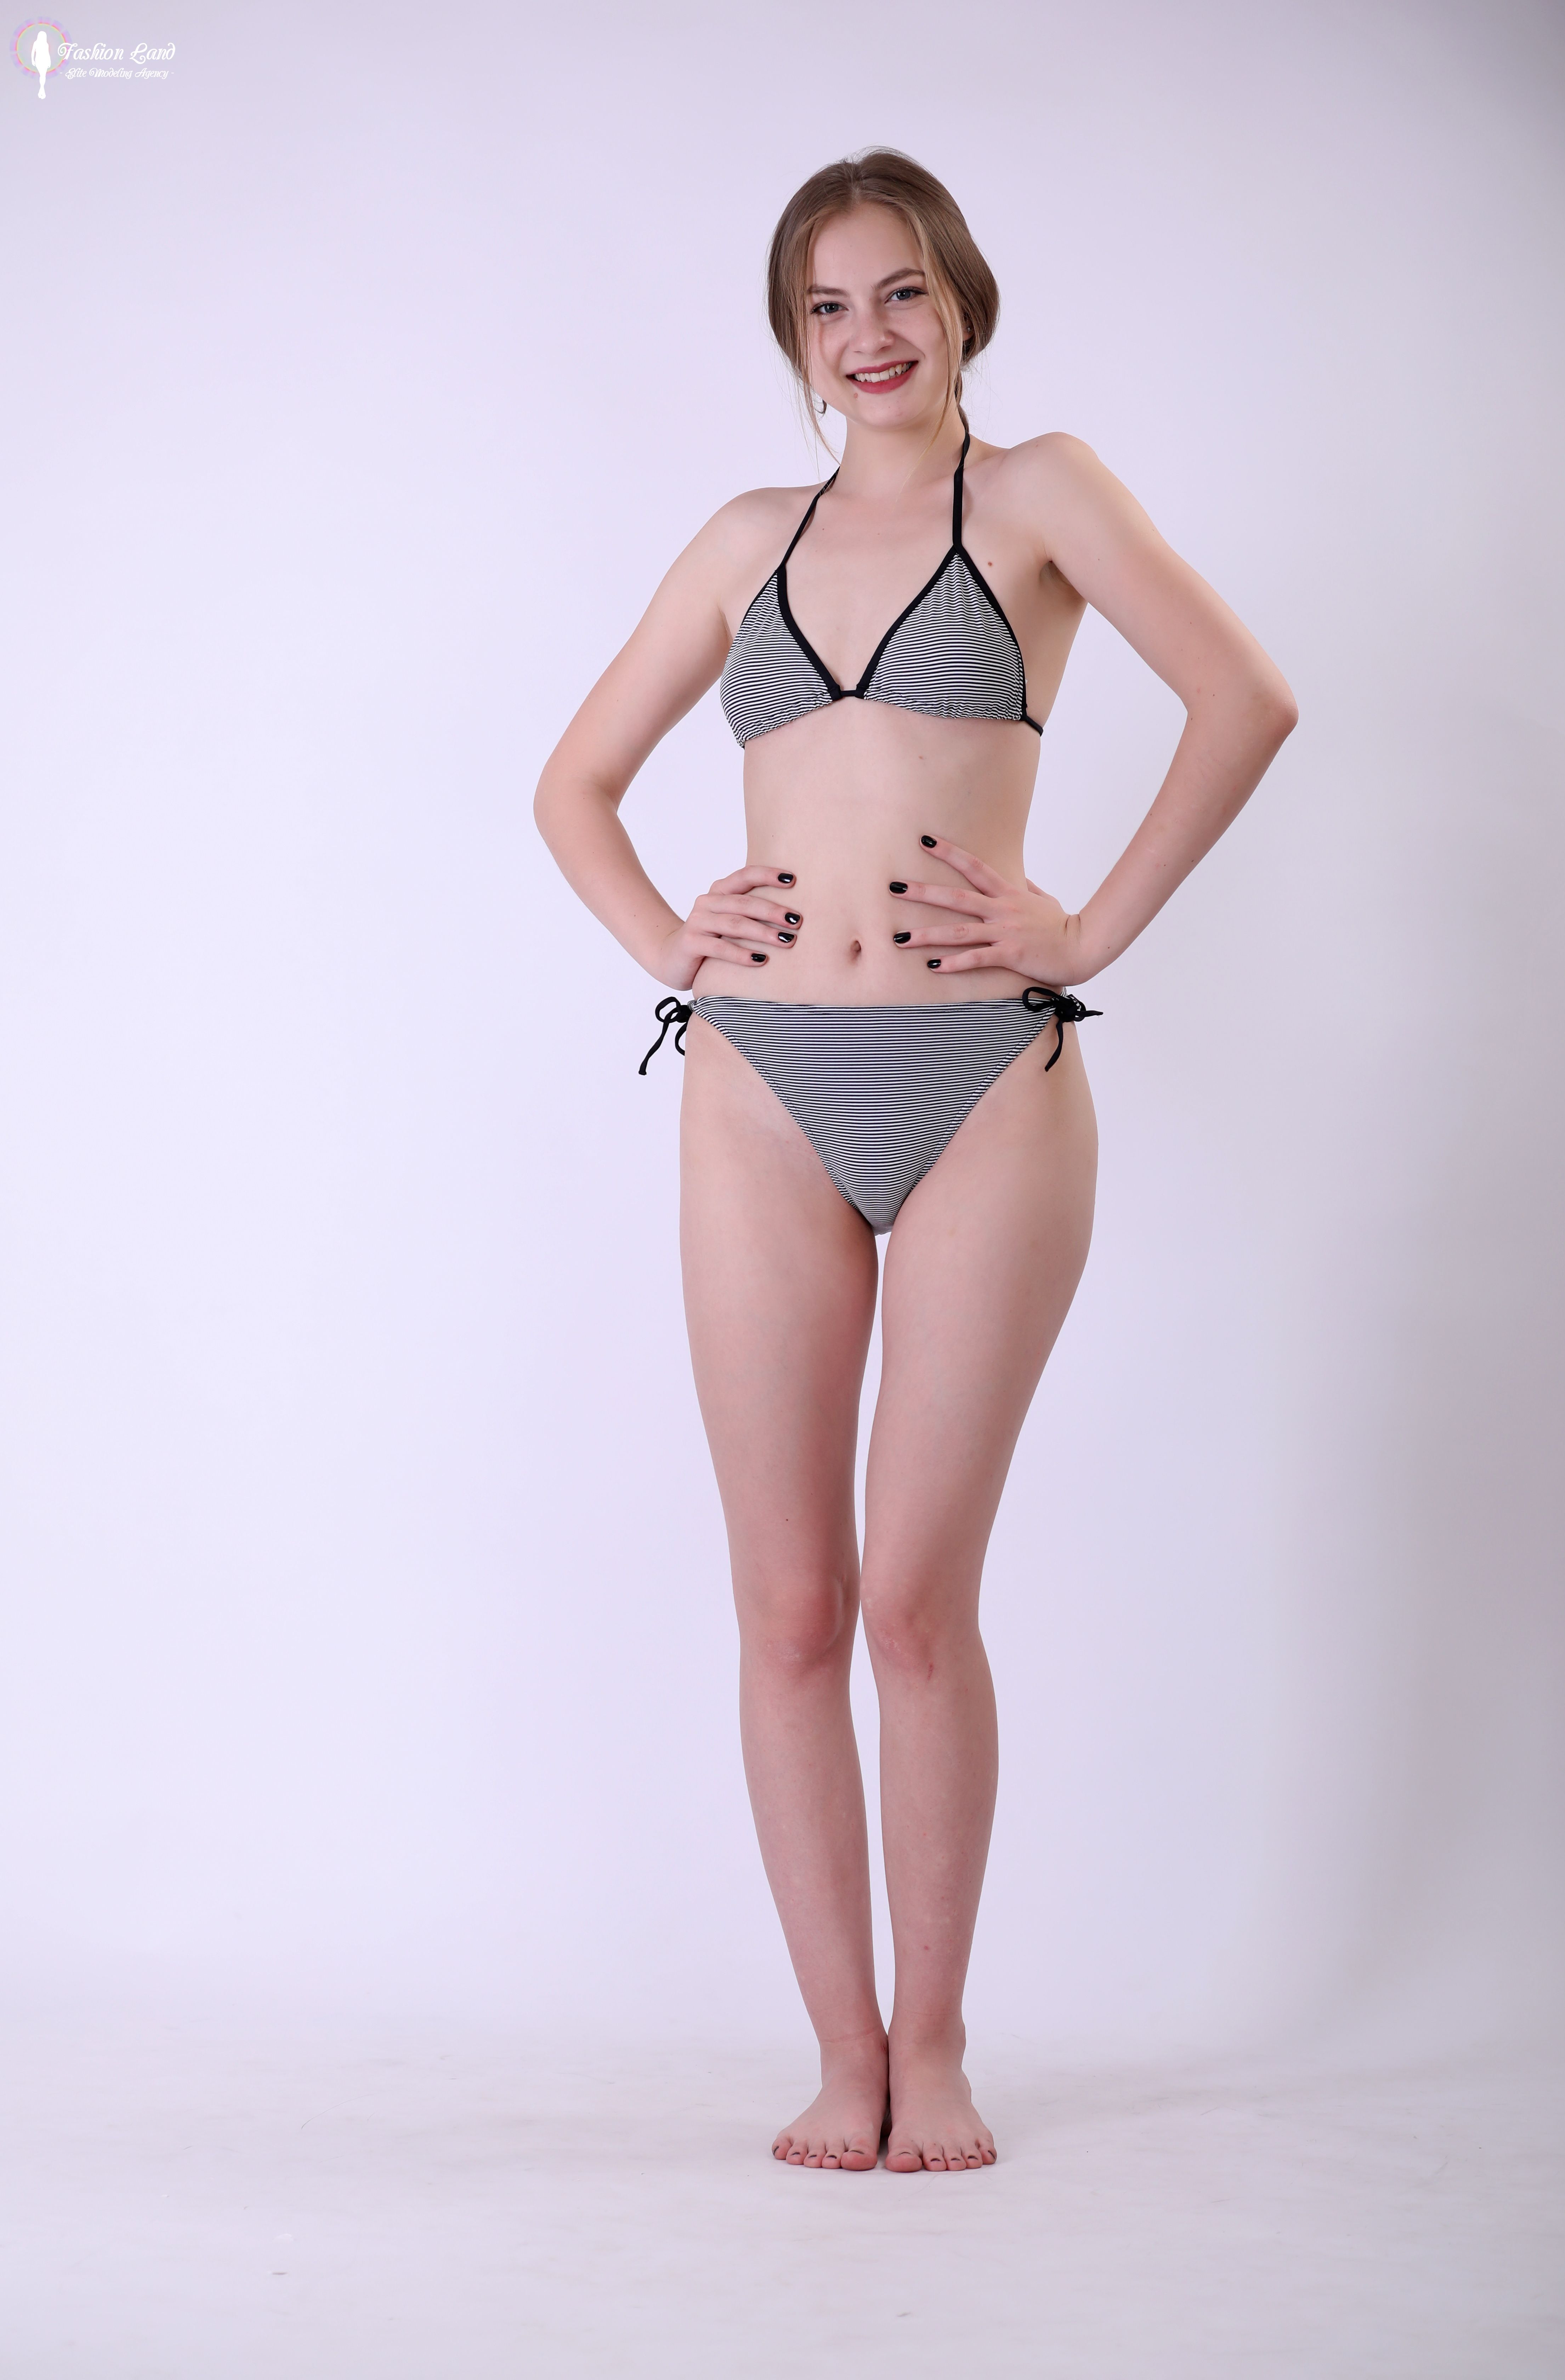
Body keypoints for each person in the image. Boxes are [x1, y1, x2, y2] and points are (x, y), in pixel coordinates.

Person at [534, 149, 1296, 2175]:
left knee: (913, 1605)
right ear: (792, 342)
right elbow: (574, 784)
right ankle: (840, 2053)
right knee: (790, 1607)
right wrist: (667, 940)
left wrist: (1088, 925)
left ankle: (937, 2045)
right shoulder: (745, 539)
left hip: (986, 1082)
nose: (867, 337)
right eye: (826, 307)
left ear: (960, 298)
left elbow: (1248, 697)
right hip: (755, 1084)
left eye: (899, 294)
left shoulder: (1039, 495)